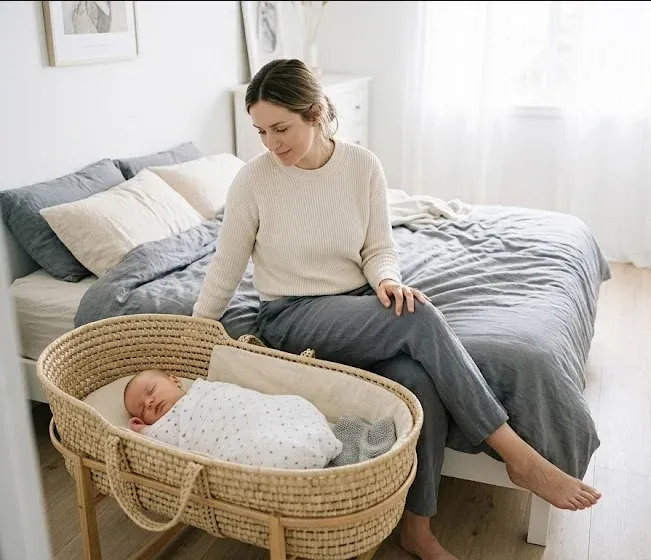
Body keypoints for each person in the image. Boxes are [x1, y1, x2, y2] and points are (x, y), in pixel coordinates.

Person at [192, 58, 600, 560]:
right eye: (261, 131)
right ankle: (518, 456)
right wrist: (195, 331)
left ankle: (417, 529)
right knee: (421, 318)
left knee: (419, 382)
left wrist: (387, 280)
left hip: (356, 305)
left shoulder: (362, 166)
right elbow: (225, 266)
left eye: (281, 128)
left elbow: (378, 248)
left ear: (316, 113)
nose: (272, 144)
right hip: (291, 315)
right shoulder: (254, 180)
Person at [122, 369, 395, 469]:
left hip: (266, 413)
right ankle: (306, 457)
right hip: (240, 436)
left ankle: (317, 439)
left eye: (150, 391)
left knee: (293, 405)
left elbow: (247, 402)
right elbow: (170, 445)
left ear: (175, 380)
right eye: (141, 409)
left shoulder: (205, 389)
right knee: (260, 446)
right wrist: (145, 431)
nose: (149, 403)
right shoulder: (170, 424)